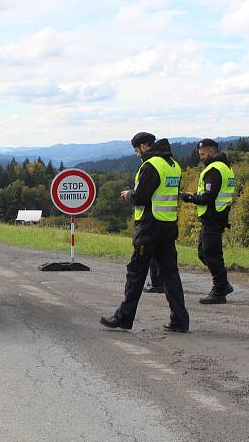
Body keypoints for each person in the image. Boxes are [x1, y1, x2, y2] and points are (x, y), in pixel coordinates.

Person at [100, 132, 190, 333]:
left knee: (136, 274)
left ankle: (123, 318)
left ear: (143, 146)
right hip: (168, 227)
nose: (136, 154)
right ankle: (180, 320)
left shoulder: (150, 166)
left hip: (149, 228)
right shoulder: (173, 165)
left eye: (136, 150)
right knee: (170, 275)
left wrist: (128, 195)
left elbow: (140, 197)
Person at [181, 138, 235, 304]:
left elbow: (208, 197)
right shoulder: (225, 167)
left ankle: (219, 290)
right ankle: (223, 284)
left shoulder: (214, 170)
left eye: (202, 154)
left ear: (212, 152)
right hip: (214, 217)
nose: (201, 157)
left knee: (212, 254)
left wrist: (190, 197)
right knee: (203, 253)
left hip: (213, 217)